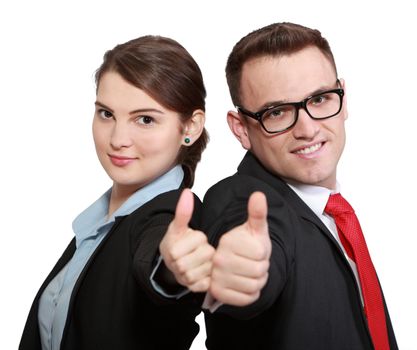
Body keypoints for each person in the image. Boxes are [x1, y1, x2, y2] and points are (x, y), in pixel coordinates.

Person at [202, 22, 398, 349]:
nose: (307, 129)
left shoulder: (335, 215)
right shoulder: (243, 199)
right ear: (241, 129)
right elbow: (247, 252)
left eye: (320, 99)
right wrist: (240, 272)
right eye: (277, 112)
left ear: (343, 98)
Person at [19, 35, 214, 350]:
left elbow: (158, 263)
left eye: (145, 119)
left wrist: (170, 268)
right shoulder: (102, 220)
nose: (118, 138)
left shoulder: (173, 217)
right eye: (106, 114)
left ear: (190, 127)